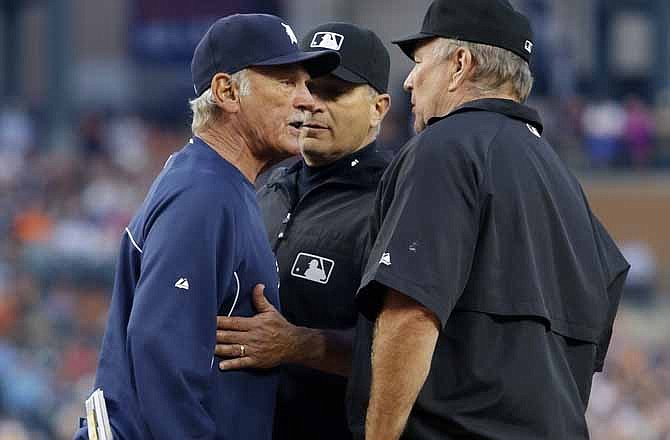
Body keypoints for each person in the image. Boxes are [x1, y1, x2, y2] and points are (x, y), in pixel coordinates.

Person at [346, 1, 631, 439]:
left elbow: (411, 316)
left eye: (419, 62)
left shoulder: (446, 148)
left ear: (459, 64)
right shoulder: (566, 185)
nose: (408, 80)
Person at [73, 13, 339, 440]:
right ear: (226, 91)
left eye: (307, 84)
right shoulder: (204, 193)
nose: (308, 100)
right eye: (287, 83)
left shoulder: (219, 184)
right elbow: (160, 352)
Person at [214, 23, 391, 440]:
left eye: (333, 92)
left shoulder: (394, 201)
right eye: (306, 88)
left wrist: (299, 344)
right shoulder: (269, 185)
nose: (310, 103)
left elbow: (407, 345)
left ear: (378, 107)